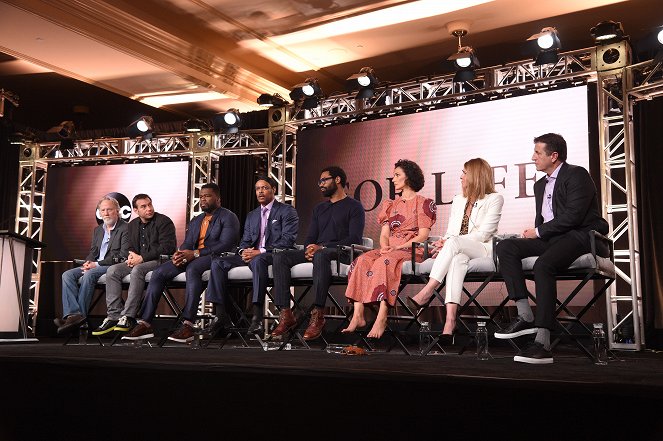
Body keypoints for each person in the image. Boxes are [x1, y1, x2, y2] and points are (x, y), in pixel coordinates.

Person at [494, 133, 609, 364]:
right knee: (506, 247)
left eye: (538, 153)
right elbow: (546, 219)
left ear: (554, 156)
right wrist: (538, 233)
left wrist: (537, 232)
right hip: (553, 237)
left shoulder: (577, 175)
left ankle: (542, 342)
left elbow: (573, 217)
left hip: (580, 235)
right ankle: (525, 315)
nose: (533, 157)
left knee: (543, 264)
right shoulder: (539, 185)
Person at [122, 183, 240, 343]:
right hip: (192, 256)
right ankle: (145, 322)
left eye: (207, 196)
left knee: (193, 268)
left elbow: (226, 244)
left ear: (218, 199)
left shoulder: (228, 216)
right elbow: (187, 243)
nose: (203, 199)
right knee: (159, 272)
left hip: (215, 256)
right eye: (201, 196)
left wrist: (196, 253)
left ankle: (188, 324)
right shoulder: (197, 219)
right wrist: (180, 254)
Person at [409, 158, 504, 343]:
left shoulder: (494, 199)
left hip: (483, 248)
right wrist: (443, 243)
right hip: (458, 248)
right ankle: (450, 322)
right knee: (457, 259)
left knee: (454, 246)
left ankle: (427, 291)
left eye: (464, 173)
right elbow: (451, 232)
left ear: (475, 176)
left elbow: (484, 234)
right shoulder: (458, 200)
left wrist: (450, 243)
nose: (461, 176)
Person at [342, 159, 436, 339]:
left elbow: (423, 236)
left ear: (409, 177)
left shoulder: (424, 203)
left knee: (385, 261)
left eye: (397, 175)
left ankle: (382, 315)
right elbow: (384, 234)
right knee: (361, 260)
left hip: (412, 248)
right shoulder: (390, 205)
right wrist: (386, 246)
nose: (393, 179)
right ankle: (358, 315)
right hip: (390, 247)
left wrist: (398, 247)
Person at [270, 166, 365, 341]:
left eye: (324, 180)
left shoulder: (355, 206)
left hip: (342, 252)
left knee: (321, 255)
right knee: (280, 257)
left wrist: (322, 248)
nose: (320, 184)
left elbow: (354, 238)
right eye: (319, 181)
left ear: (337, 180)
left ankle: (319, 314)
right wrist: (309, 248)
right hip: (320, 252)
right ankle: (286, 313)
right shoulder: (319, 208)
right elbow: (311, 236)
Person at [204, 176, 298, 336]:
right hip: (251, 255)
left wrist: (259, 251)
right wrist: (243, 251)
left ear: (274, 190)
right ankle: (220, 315)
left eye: (265, 187)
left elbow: (287, 240)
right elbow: (244, 241)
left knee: (258, 260)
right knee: (218, 262)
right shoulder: (252, 215)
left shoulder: (287, 211)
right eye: (257, 188)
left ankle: (257, 317)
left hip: (271, 255)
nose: (260, 191)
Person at [91, 194, 176, 336]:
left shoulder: (164, 221)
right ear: (136, 210)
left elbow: (168, 248)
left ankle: (129, 316)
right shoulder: (133, 225)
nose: (149, 209)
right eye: (144, 206)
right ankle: (114, 316)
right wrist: (131, 256)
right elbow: (130, 246)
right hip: (139, 260)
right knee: (113, 271)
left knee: (138, 270)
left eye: (150, 204)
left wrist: (141, 258)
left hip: (160, 261)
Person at [55, 196, 129, 334]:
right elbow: (93, 252)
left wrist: (96, 264)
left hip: (113, 266)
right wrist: (88, 262)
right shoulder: (98, 230)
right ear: (99, 213)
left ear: (117, 211)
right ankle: (73, 315)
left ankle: (80, 316)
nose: (106, 213)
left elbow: (123, 256)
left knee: (89, 274)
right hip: (95, 265)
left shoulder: (125, 228)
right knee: (67, 275)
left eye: (109, 210)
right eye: (103, 210)